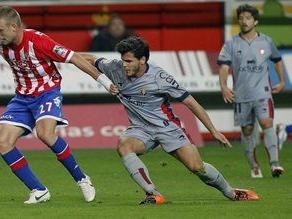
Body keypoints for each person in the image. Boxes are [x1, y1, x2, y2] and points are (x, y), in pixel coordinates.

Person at [0, 6, 118, 204]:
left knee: (45, 133)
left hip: (47, 93)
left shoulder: (39, 42)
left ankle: (82, 179)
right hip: (22, 97)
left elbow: (74, 58)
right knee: (2, 142)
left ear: (14, 27)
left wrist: (104, 81)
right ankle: (38, 190)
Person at [79, 36, 259, 205]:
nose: (124, 65)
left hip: (167, 127)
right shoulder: (115, 67)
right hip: (140, 129)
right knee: (124, 146)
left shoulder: (160, 78)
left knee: (196, 166)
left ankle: (231, 192)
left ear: (142, 60)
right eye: (123, 60)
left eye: (129, 61)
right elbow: (90, 58)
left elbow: (191, 103)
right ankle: (153, 193)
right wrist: (62, 55)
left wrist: (213, 131)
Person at [217, 4, 285, 178]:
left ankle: (275, 164)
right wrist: (224, 86)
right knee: (247, 130)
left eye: (247, 18)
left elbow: (277, 60)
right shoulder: (232, 43)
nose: (244, 21)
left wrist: (282, 81)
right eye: (241, 18)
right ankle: (254, 166)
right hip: (241, 95)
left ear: (255, 21)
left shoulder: (267, 41)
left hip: (263, 93)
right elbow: (224, 67)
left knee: (267, 123)